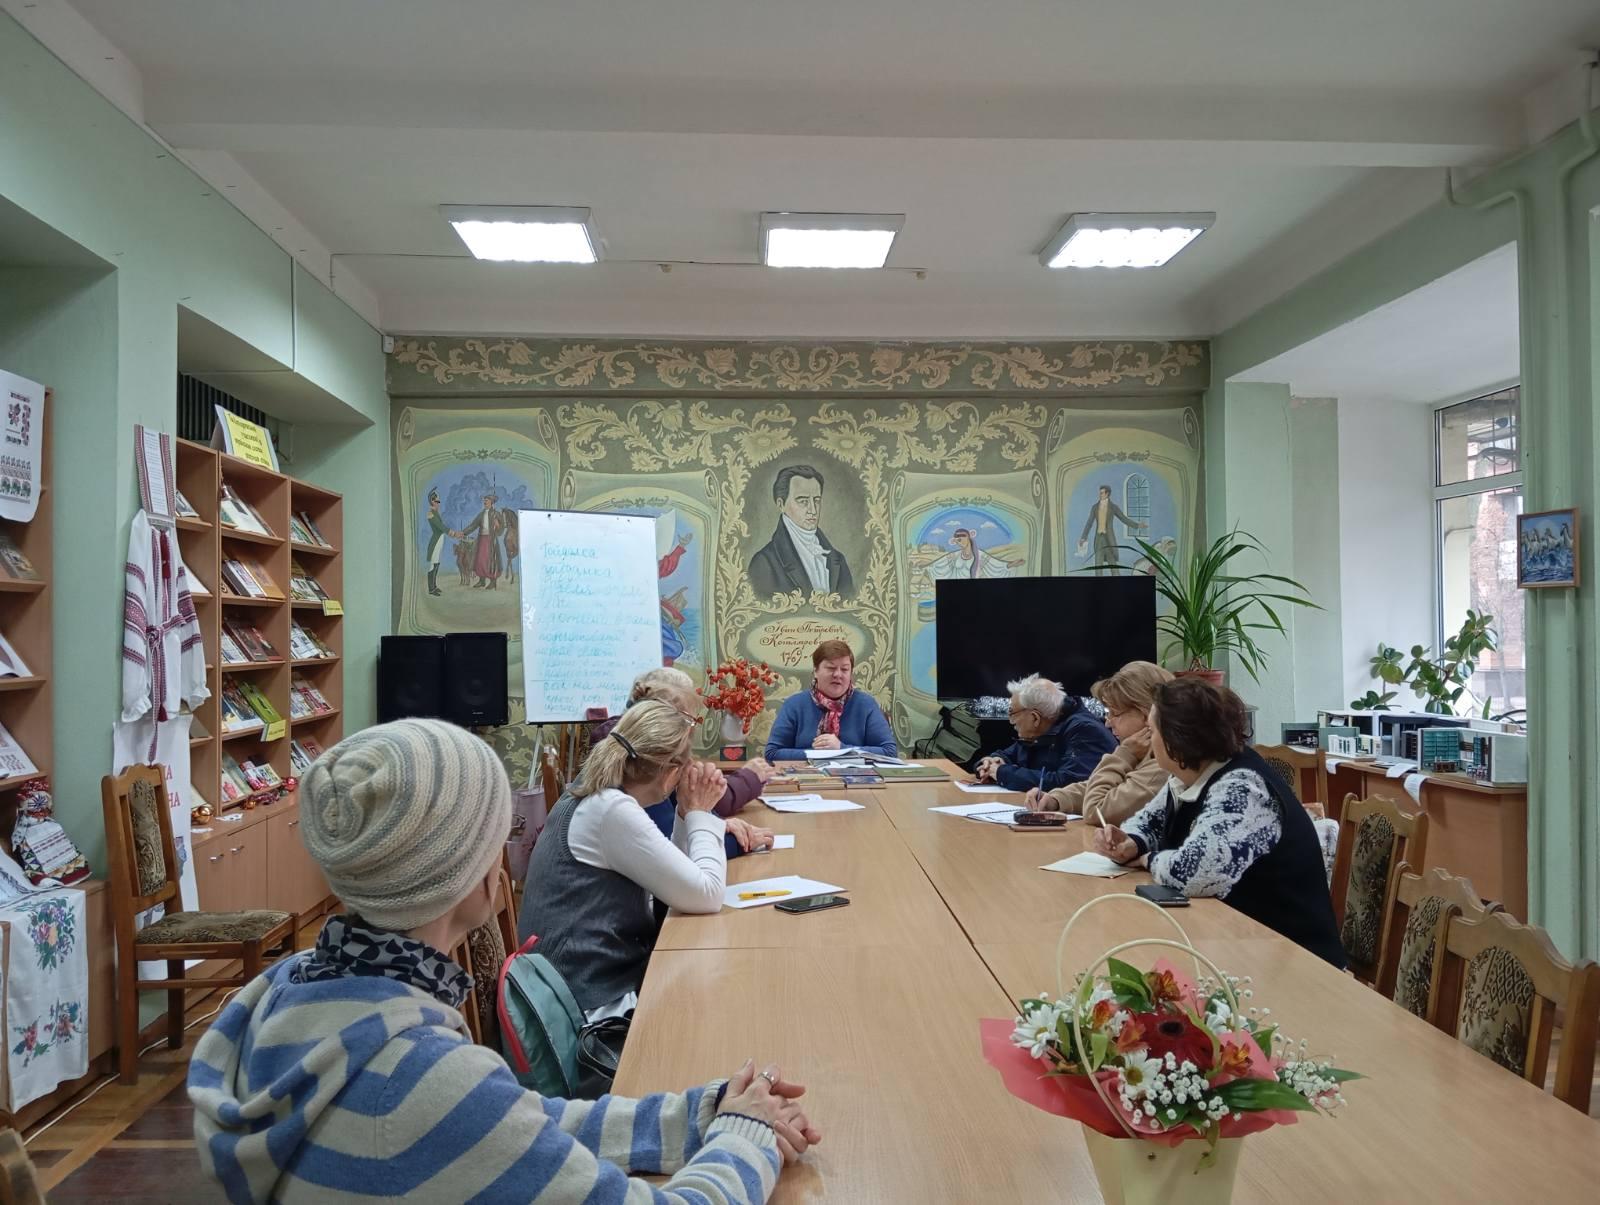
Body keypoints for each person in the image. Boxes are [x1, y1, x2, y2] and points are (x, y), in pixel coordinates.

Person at [188, 718, 819, 1203]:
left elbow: (516, 1123)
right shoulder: (420, 1078)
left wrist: (702, 1113)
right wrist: (746, 1135)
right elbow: (468, 1108)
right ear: (471, 873)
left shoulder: (287, 991)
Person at [1090, 678, 1346, 967]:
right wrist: (1131, 842)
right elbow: (1149, 821)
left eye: (1153, 729)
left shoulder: (1242, 787)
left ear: (1176, 740)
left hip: (1294, 956)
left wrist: (1148, 859)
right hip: (1237, 942)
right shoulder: (1188, 775)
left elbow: (1195, 874)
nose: (1149, 739)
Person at [519, 701, 732, 1019]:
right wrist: (701, 812)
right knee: (718, 1002)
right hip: (588, 1010)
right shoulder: (610, 810)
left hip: (578, 988)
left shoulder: (597, 795)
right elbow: (708, 894)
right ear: (669, 772)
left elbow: (673, 881)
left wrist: (686, 813)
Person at [594, 667, 777, 856]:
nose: (691, 730)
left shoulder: (633, 750)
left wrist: (717, 825)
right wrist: (738, 841)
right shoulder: (640, 765)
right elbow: (669, 852)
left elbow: (683, 824)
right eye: (689, 720)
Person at [1023, 660, 1173, 823]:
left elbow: (1096, 810)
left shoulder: (1163, 764)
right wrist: (1056, 799)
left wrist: (1123, 755)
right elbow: (1102, 787)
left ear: (1147, 714)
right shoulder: (1142, 750)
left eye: (1114, 713)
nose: (1108, 723)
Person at [974, 674, 1116, 792]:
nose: (1011, 721)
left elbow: (1067, 784)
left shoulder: (1085, 731)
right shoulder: (1041, 730)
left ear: (1035, 718)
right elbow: (1009, 755)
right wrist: (990, 762)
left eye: (1012, 713)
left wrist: (1001, 772)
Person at [765, 640, 896, 760]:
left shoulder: (866, 704)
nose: (838, 674)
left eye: (844, 669)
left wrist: (842, 749)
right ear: (815, 671)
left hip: (853, 778)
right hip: (806, 777)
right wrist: (817, 754)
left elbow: (889, 752)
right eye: (831, 668)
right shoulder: (794, 705)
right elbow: (772, 753)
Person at [747, 465, 855, 598]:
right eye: (803, 501)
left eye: (817, 501)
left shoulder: (837, 560)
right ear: (781, 504)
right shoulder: (764, 563)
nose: (813, 510)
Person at [1076, 483, 1146, 575]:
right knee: (1098, 564)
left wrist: (1137, 525)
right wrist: (1083, 537)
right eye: (1100, 493)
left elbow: (1123, 518)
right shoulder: (1095, 507)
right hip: (1098, 539)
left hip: (1109, 539)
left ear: (1107, 494)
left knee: (1112, 563)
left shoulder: (1113, 507)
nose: (1100, 495)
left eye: (1102, 493)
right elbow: (1089, 523)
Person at [924, 527, 1018, 581]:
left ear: (969, 537)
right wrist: (927, 566)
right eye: (957, 540)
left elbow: (994, 564)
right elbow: (940, 563)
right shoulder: (954, 556)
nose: (960, 541)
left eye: (962, 537)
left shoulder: (980, 555)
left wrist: (1009, 565)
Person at [423, 489, 447, 596]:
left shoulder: (435, 512)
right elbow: (440, 526)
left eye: (438, 502)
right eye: (437, 501)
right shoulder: (430, 514)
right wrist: (452, 533)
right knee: (433, 565)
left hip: (439, 541)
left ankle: (434, 586)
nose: (438, 503)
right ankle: (431, 589)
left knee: (436, 564)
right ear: (432, 501)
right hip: (435, 542)